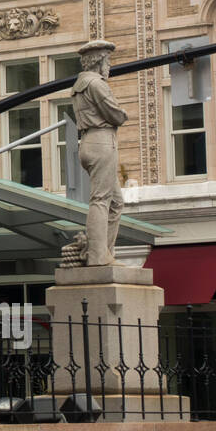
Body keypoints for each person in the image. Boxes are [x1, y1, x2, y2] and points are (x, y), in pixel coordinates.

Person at [71, 39, 129, 267]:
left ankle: (103, 251)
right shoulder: (97, 84)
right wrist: (123, 114)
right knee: (101, 200)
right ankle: (97, 255)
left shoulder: (79, 84)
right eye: (108, 60)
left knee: (115, 202)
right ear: (99, 60)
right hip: (101, 141)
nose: (110, 65)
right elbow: (115, 114)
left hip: (88, 142)